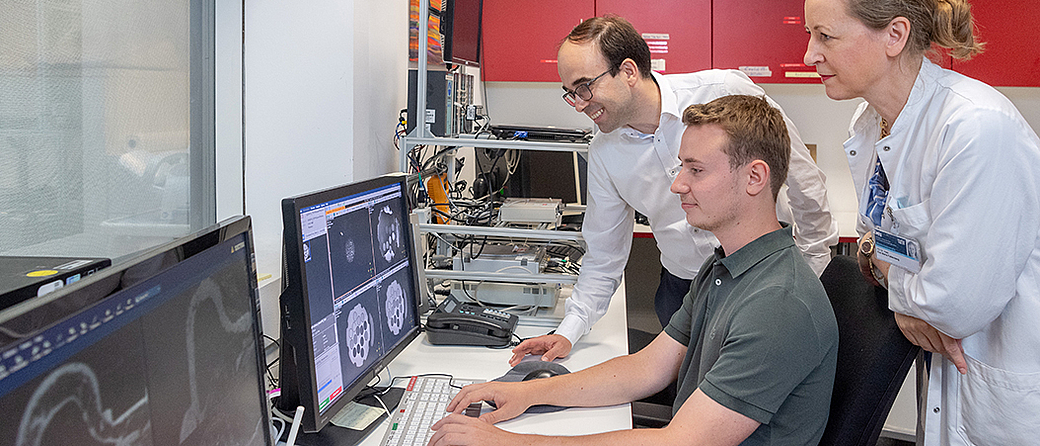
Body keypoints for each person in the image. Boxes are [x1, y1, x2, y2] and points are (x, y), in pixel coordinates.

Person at [429, 95, 839, 446]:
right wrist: (533, 393)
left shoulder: (778, 304)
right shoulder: (726, 266)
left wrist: (509, 442)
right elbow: (649, 367)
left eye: (696, 170)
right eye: (682, 167)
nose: (677, 184)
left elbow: (678, 441)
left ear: (754, 178)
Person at [509, 16, 837, 365]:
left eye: (584, 87)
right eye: (570, 93)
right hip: (682, 292)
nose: (578, 103)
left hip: (759, 280)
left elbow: (803, 179)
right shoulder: (605, 151)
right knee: (688, 394)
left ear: (629, 71)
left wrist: (813, 269)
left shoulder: (721, 92)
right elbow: (603, 257)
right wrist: (567, 332)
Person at [803, 0, 1040, 444]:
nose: (809, 54)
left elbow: (950, 307)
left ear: (895, 35)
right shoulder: (875, 122)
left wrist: (902, 291)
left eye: (825, 36)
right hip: (946, 374)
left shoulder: (976, 129)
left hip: (1005, 392)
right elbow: (874, 241)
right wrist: (901, 283)